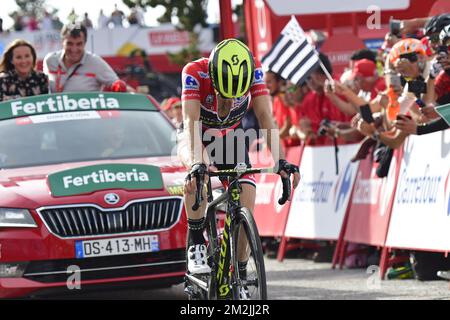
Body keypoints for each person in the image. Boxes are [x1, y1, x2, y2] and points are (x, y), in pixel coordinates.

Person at [179, 39, 300, 275]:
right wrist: (197, 164)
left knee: (247, 193)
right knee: (198, 174)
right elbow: (190, 123)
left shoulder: (254, 69)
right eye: (223, 94)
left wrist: (281, 161)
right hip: (197, 135)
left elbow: (266, 116)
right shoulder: (194, 72)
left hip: (229, 138)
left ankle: (241, 272)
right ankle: (196, 243)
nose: (228, 100)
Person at [43, 23, 119, 93]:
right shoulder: (50, 60)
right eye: (69, 43)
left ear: (85, 43)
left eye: (79, 44)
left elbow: (117, 85)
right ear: (62, 42)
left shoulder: (96, 63)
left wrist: (121, 88)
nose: (74, 49)